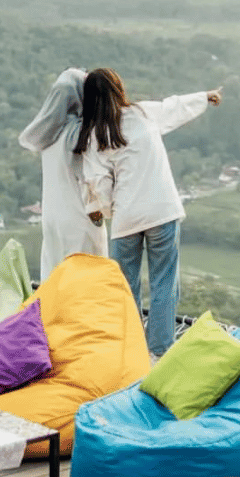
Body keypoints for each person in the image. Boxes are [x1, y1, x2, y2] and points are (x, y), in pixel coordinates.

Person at [74, 67, 222, 357]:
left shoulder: (94, 135)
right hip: (162, 211)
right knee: (164, 282)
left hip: (126, 218)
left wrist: (106, 210)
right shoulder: (142, 113)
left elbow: (98, 183)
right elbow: (174, 107)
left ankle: (129, 350)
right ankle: (159, 350)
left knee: (124, 287)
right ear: (118, 88)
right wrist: (205, 97)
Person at [19, 68, 108, 281]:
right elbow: (90, 178)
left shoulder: (48, 136)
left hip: (53, 218)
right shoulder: (79, 134)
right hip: (80, 217)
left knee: (56, 275)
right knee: (87, 280)